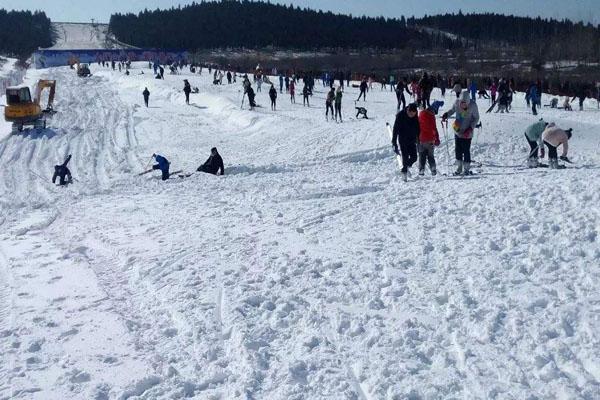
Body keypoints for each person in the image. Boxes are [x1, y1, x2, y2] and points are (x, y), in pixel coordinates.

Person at [442, 91, 480, 175]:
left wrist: (470, 128)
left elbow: (476, 118)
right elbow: (452, 110)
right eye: (461, 103)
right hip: (458, 130)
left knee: (466, 150)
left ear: (468, 102)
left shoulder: (473, 105)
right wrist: (446, 114)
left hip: (467, 132)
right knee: (458, 150)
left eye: (465, 103)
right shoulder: (456, 103)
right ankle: (459, 167)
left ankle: (466, 168)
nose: (463, 105)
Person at [392, 103, 420, 181]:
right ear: (407, 110)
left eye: (413, 114)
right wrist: (394, 142)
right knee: (405, 156)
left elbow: (417, 126)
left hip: (412, 138)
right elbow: (395, 129)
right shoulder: (400, 115)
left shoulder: (415, 115)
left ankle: (406, 166)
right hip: (403, 138)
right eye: (410, 113)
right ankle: (404, 173)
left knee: (414, 157)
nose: (411, 115)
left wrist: (418, 139)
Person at [418, 101, 444, 176]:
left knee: (422, 155)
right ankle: (433, 168)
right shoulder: (431, 116)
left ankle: (421, 169)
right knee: (430, 156)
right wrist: (437, 139)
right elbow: (434, 128)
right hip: (430, 139)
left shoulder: (421, 113)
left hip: (421, 138)